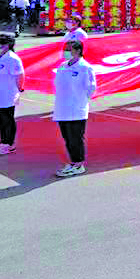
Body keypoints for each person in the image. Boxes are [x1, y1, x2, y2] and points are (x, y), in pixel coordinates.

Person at [53, 38, 98, 178]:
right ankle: (73, 162)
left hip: (76, 109)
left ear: (78, 51)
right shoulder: (62, 66)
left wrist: (79, 100)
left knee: (75, 138)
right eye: (64, 49)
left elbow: (91, 88)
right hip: (62, 108)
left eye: (69, 50)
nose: (65, 52)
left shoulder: (85, 67)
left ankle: (79, 165)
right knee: (67, 138)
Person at [0, 33, 25, 154]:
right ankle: (3, 143)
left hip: (7, 94)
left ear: (8, 45)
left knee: (7, 119)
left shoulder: (12, 58)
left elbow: (20, 75)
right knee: (1, 120)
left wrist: (19, 88)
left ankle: (9, 144)